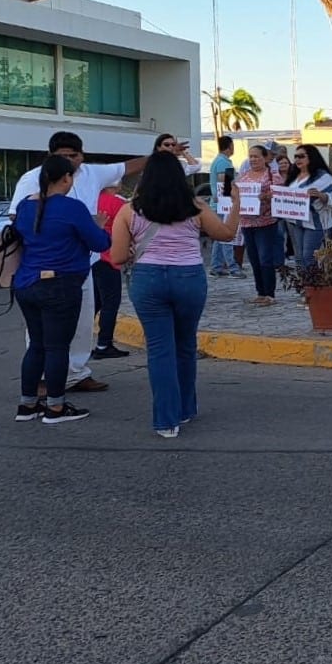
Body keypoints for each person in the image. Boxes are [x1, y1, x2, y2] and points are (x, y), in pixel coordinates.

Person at [110, 152, 242, 438]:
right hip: (189, 279)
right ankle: (185, 409)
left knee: (160, 351)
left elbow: (118, 255)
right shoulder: (195, 206)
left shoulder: (129, 210)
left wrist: (135, 248)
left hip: (148, 280)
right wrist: (236, 202)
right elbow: (227, 234)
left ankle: (166, 421)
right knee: (185, 345)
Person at [10, 131, 148, 395]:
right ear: (54, 162)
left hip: (73, 270)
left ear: (82, 156)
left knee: (79, 327)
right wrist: (89, 228)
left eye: (74, 156)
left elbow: (125, 167)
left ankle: (65, 380)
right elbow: (99, 241)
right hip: (54, 272)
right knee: (50, 340)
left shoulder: (89, 176)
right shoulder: (35, 184)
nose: (71, 162)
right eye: (64, 158)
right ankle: (53, 398)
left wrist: (159, 154)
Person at [11, 155, 111, 424]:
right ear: (66, 178)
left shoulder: (25, 206)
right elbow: (100, 243)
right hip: (61, 285)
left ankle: (27, 405)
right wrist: (100, 227)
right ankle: (55, 407)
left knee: (37, 346)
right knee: (57, 347)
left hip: (26, 283)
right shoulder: (72, 208)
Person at [236, 145, 283, 306]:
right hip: (247, 222)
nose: (253, 159)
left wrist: (266, 196)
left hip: (265, 222)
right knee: (254, 259)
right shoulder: (243, 176)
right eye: (251, 156)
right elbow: (234, 194)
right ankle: (260, 292)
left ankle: (270, 293)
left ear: (265, 158)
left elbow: (280, 193)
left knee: (265, 258)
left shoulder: (272, 176)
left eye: (256, 156)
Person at [90, 184, 129, 360]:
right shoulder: (117, 203)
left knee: (94, 303)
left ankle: (75, 339)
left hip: (92, 257)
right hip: (109, 257)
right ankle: (104, 344)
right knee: (110, 304)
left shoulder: (91, 200)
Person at [285, 143, 332, 265]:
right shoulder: (293, 175)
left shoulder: (323, 176)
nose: (297, 159)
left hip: (316, 222)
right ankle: (303, 283)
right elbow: (287, 194)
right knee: (299, 258)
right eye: (296, 156)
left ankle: (313, 283)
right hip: (296, 221)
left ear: (311, 157)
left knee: (309, 257)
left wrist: (321, 195)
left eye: (301, 156)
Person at [208, 136, 242, 277]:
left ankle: (216, 266)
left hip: (218, 204)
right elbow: (225, 183)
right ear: (230, 146)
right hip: (224, 204)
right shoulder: (224, 162)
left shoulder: (218, 160)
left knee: (218, 237)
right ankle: (232, 267)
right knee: (226, 235)